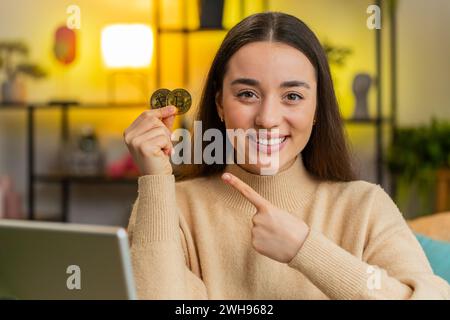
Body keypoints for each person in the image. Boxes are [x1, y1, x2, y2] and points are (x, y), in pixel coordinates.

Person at [123, 12, 450, 299]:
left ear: (317, 108)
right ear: (220, 103)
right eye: (247, 94)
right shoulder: (171, 205)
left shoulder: (364, 206)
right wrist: (155, 180)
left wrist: (306, 249)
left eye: (292, 96)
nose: (267, 118)